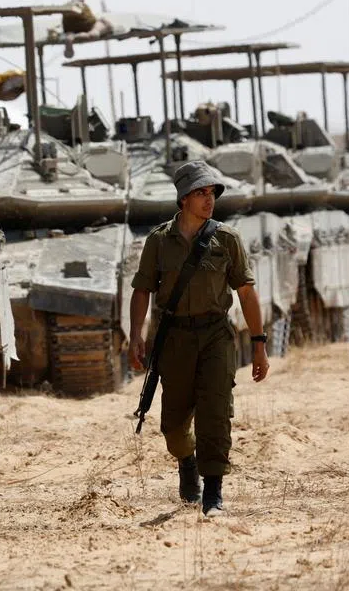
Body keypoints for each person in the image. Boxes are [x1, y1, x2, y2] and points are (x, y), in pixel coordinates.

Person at [128, 161, 270, 516]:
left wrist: (259, 344)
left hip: (215, 336)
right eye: (201, 193)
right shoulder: (159, 241)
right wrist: (134, 336)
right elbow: (142, 290)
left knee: (215, 412)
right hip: (174, 339)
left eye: (212, 193)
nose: (209, 200)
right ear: (183, 199)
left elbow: (247, 293)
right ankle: (187, 463)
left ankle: (213, 492)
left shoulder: (226, 239)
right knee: (174, 428)